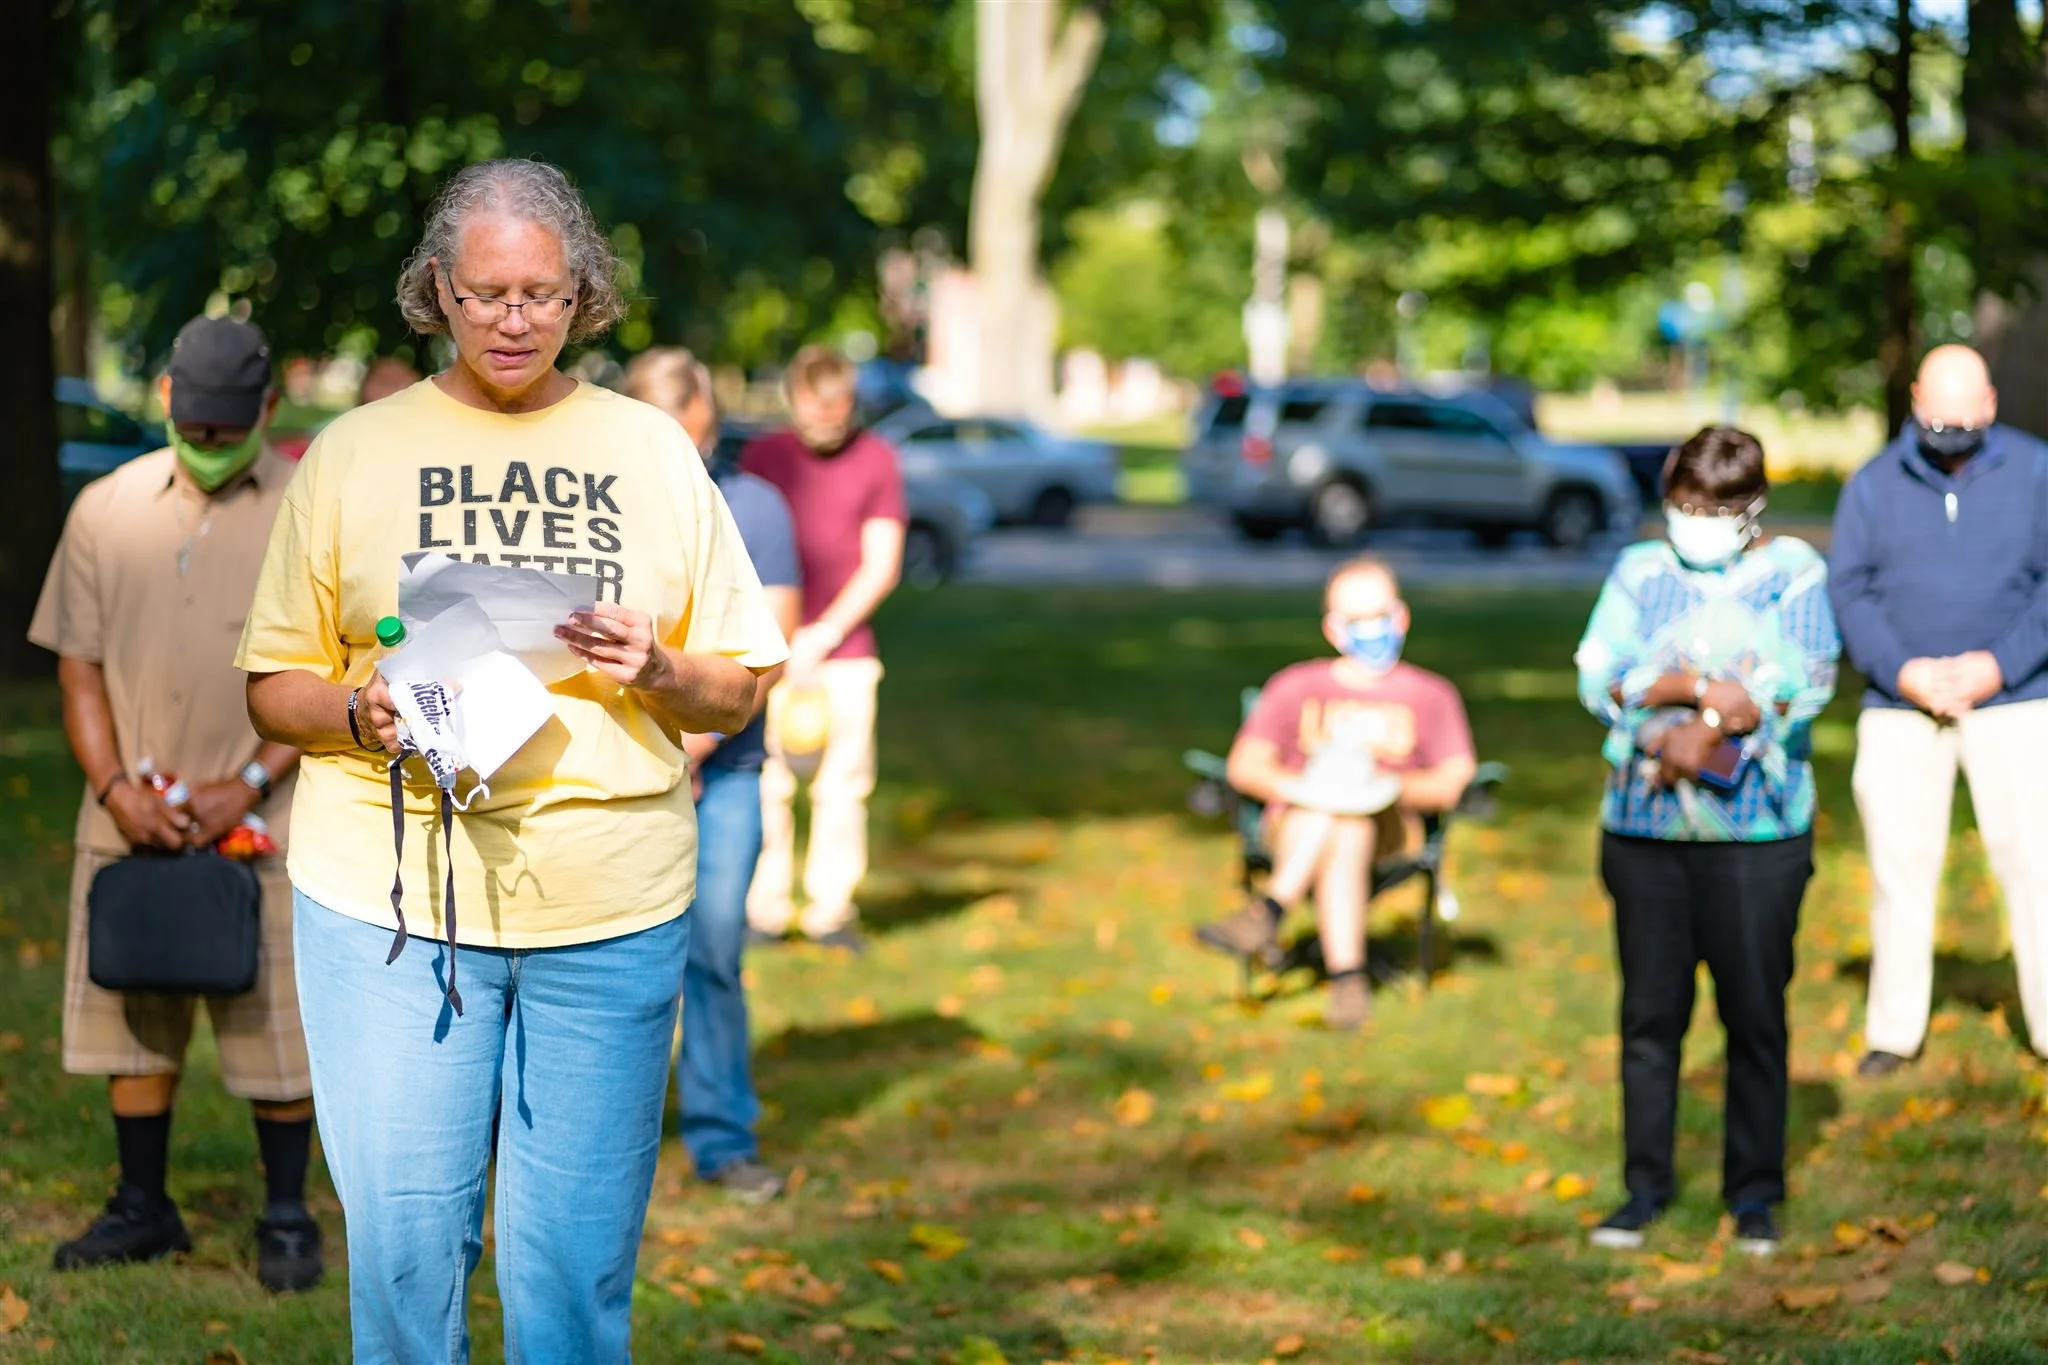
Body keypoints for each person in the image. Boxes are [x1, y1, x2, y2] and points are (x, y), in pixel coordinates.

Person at [236, 159, 787, 1361]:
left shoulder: (649, 451)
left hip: (610, 907)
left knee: (576, 1271)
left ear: (584, 294)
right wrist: (358, 710)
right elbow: (272, 689)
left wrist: (658, 668)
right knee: (405, 1252)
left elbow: (741, 684)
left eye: (539, 294)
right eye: (485, 294)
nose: (512, 320)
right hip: (393, 911)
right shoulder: (353, 453)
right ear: (438, 289)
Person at [30, 315, 319, 1292]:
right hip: (129, 815)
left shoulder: (308, 508)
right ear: (164, 402)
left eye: (225, 428)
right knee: (134, 1017)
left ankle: (285, 1216)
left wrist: (250, 778)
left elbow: (334, 669)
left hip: (266, 815)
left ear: (267, 411)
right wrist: (113, 788)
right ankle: (142, 1206)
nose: (205, 442)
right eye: (192, 425)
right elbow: (78, 667)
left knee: (280, 1026)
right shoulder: (104, 510)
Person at [1575, 426, 1839, 1257]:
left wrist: (1704, 721)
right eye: (1686, 503)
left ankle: (1754, 1191)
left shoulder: (1793, 571)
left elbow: (1805, 679)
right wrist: (1697, 695)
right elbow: (1597, 672)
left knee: (1754, 1012)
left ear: (1752, 507)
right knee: (1650, 1016)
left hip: (1757, 835)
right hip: (1646, 835)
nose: (1698, 519)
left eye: (1718, 506)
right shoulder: (1640, 570)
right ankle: (1643, 1186)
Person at [1830, 344, 2048, 1077]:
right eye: (1937, 410)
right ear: (1915, 398)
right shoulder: (1872, 483)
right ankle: (1895, 1031)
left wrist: (1998, 665)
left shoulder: (2036, 470)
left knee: (2036, 868)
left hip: (2016, 700)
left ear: (1989, 405)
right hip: (1901, 706)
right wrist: (1905, 672)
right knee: (1899, 870)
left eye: (1965, 412)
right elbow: (1850, 590)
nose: (1950, 424)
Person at [622, 347, 802, 1203]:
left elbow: (772, 651)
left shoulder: (755, 506)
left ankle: (723, 1135)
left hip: (723, 773)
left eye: (682, 437)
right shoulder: (607, 503)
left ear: (709, 421)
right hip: (620, 776)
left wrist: (689, 748)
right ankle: (597, 1137)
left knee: (714, 954)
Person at [1192, 556, 1477, 1030]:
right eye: (1356, 620)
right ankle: (1348, 978)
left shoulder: (1430, 695)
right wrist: (1310, 789)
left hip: (1389, 828)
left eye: (1379, 616)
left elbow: (1455, 779)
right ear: (1333, 628)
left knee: (1352, 817)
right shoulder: (1296, 685)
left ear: (1401, 617)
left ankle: (1268, 911)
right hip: (1297, 825)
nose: (1371, 630)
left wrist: (1382, 789)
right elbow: (1245, 765)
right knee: (1333, 815)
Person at [741, 346, 907, 952]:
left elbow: (881, 564)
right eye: (813, 411)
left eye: (835, 411)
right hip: (768, 650)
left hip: (845, 653)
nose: (824, 422)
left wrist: (825, 634)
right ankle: (764, 908)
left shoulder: (878, 460)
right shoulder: (764, 458)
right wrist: (781, 640)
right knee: (769, 784)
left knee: (842, 786)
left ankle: (832, 911)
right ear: (795, 401)